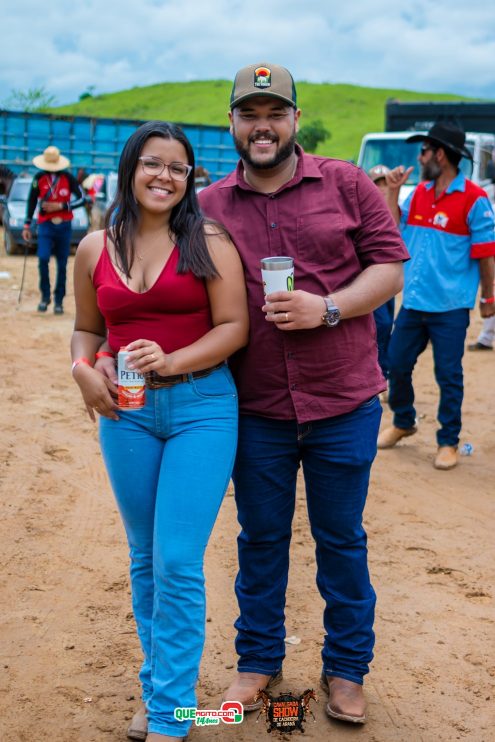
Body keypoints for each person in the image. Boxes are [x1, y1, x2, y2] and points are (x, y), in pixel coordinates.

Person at [198, 62, 408, 725]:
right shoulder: (206, 206)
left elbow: (389, 267)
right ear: (231, 123)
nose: (262, 127)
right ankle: (257, 660)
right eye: (248, 114)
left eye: (274, 113)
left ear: (294, 120)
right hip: (254, 406)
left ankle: (347, 669)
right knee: (258, 538)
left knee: (340, 538)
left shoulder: (345, 183)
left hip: (341, 400)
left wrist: (330, 309)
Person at [70, 120, 249, 741]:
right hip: (126, 414)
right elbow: (88, 330)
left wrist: (172, 362)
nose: (164, 176)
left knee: (176, 559)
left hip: (202, 408)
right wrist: (80, 370)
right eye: (152, 163)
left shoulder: (209, 240)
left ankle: (171, 712)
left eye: (177, 167)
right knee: (145, 558)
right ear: (130, 168)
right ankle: (160, 690)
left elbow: (234, 327)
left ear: (190, 178)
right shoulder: (94, 247)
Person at [378, 122, 495, 470]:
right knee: (396, 366)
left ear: (440, 155)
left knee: (448, 375)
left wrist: (489, 297)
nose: (419, 156)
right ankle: (403, 421)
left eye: (424, 150)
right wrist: (391, 191)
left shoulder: (475, 199)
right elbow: (389, 230)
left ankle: (448, 441)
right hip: (414, 302)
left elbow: (486, 253)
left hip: (450, 307)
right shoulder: (418, 193)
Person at [22, 146, 85, 314]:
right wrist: (27, 225)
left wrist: (61, 205)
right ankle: (45, 297)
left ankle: (59, 300)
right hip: (45, 225)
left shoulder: (68, 178)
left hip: (64, 226)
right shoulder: (39, 178)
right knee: (43, 259)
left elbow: (82, 199)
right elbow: (32, 201)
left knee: (62, 264)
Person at [368, 165, 395, 381]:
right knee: (382, 324)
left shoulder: (395, 209)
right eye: (377, 184)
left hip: (391, 277)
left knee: (386, 326)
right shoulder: (364, 211)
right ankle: (380, 373)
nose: (381, 189)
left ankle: (383, 371)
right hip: (371, 276)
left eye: (384, 184)